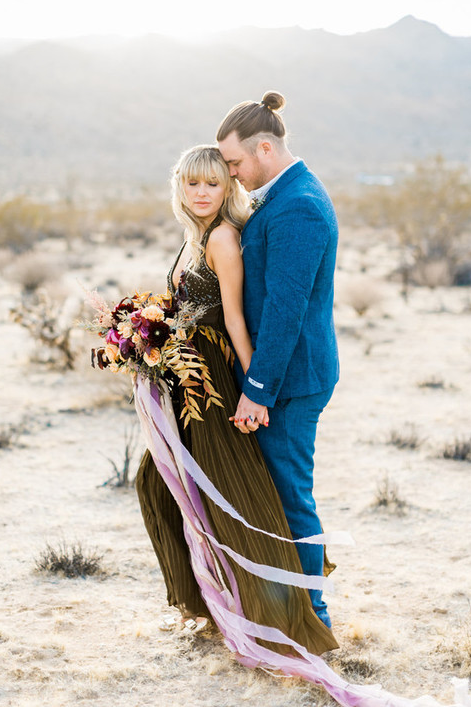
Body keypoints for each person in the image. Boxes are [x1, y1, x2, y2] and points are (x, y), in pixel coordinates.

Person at [135, 144, 338, 657]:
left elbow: (234, 319)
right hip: (187, 377)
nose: (202, 193)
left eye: (213, 184)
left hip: (213, 385)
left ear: (229, 189)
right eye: (193, 184)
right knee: (181, 489)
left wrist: (254, 389)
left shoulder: (223, 238)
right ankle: (217, 604)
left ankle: (286, 616)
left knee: (229, 496)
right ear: (179, 186)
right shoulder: (194, 236)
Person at [216, 91, 339, 628]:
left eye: (235, 162)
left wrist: (257, 389)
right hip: (281, 373)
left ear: (264, 147)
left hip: (291, 379)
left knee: (292, 499)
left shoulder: (300, 207)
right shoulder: (279, 195)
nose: (232, 174)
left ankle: (315, 617)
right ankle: (281, 610)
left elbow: (286, 311)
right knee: (279, 494)